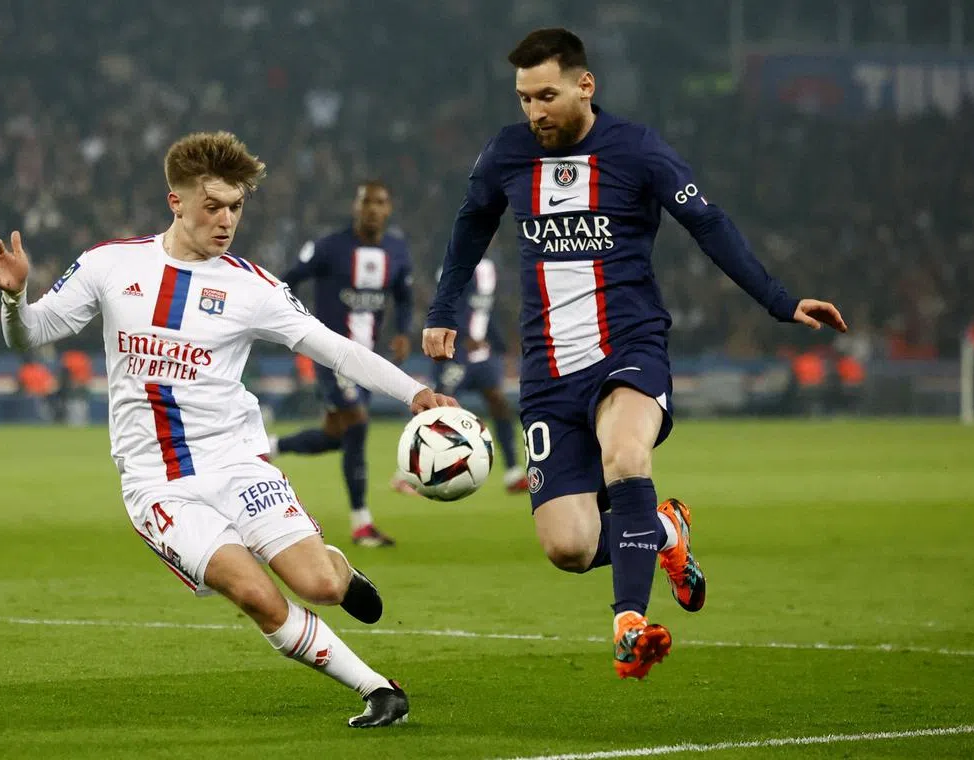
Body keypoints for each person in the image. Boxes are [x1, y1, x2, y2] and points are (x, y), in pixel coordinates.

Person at [0, 131, 457, 727]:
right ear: (175, 201)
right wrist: (16, 296)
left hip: (235, 463)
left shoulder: (252, 287)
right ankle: (377, 690)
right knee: (255, 594)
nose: (226, 219)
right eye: (213, 206)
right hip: (158, 483)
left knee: (319, 586)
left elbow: (334, 348)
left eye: (235, 206)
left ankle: (338, 566)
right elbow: (29, 335)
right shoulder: (111, 265)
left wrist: (414, 391)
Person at [422, 29, 847, 680]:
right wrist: (444, 307)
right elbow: (471, 221)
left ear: (584, 85)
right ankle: (665, 530)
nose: (534, 111)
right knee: (568, 546)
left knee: (625, 455)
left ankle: (629, 623)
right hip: (546, 370)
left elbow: (708, 223)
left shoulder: (636, 149)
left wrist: (779, 300)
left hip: (628, 347)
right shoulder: (507, 155)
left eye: (547, 95)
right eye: (524, 98)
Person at [270, 181, 414, 547]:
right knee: (358, 424)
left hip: (368, 358)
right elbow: (287, 281)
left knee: (335, 436)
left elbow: (405, 295)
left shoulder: (396, 250)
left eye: (380, 202)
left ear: (389, 208)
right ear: (355, 206)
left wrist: (401, 331)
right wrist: (296, 324)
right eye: (366, 201)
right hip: (332, 355)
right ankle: (362, 524)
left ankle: (269, 447)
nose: (372, 208)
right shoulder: (329, 247)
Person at [392, 255, 528, 495]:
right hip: (454, 352)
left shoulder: (491, 268)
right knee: (435, 408)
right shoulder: (452, 265)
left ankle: (513, 473)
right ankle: (405, 474)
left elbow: (487, 310)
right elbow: (446, 304)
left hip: (483, 354)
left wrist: (500, 347)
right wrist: (464, 336)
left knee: (499, 403)